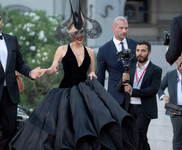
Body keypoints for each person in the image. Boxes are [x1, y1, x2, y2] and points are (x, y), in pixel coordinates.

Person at [10, 0, 139, 149]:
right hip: (64, 93)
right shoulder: (62, 49)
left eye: (82, 32)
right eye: (76, 32)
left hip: (85, 92)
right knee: (64, 125)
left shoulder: (90, 51)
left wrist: (92, 74)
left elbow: (91, 70)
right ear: (70, 34)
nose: (80, 35)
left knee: (86, 123)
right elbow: (54, 69)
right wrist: (44, 71)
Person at [0, 8, 41, 150]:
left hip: (9, 94)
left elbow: (19, 63)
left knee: (10, 130)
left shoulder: (12, 40)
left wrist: (30, 72)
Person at [117, 41, 162, 150]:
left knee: (137, 137)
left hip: (144, 108)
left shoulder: (156, 70)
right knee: (142, 140)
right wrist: (122, 81)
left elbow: (153, 90)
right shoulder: (130, 67)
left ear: (149, 52)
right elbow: (119, 89)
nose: (140, 53)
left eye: (143, 51)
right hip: (130, 107)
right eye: (137, 50)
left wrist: (133, 91)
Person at [96, 16, 137, 108]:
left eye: (126, 28)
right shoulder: (104, 50)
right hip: (114, 97)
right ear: (113, 28)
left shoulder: (135, 45)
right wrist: (100, 99)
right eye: (121, 28)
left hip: (135, 96)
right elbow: (100, 78)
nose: (124, 31)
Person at [158, 56, 182, 150]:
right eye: (180, 59)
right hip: (176, 110)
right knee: (178, 137)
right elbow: (159, 88)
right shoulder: (170, 74)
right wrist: (163, 96)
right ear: (176, 61)